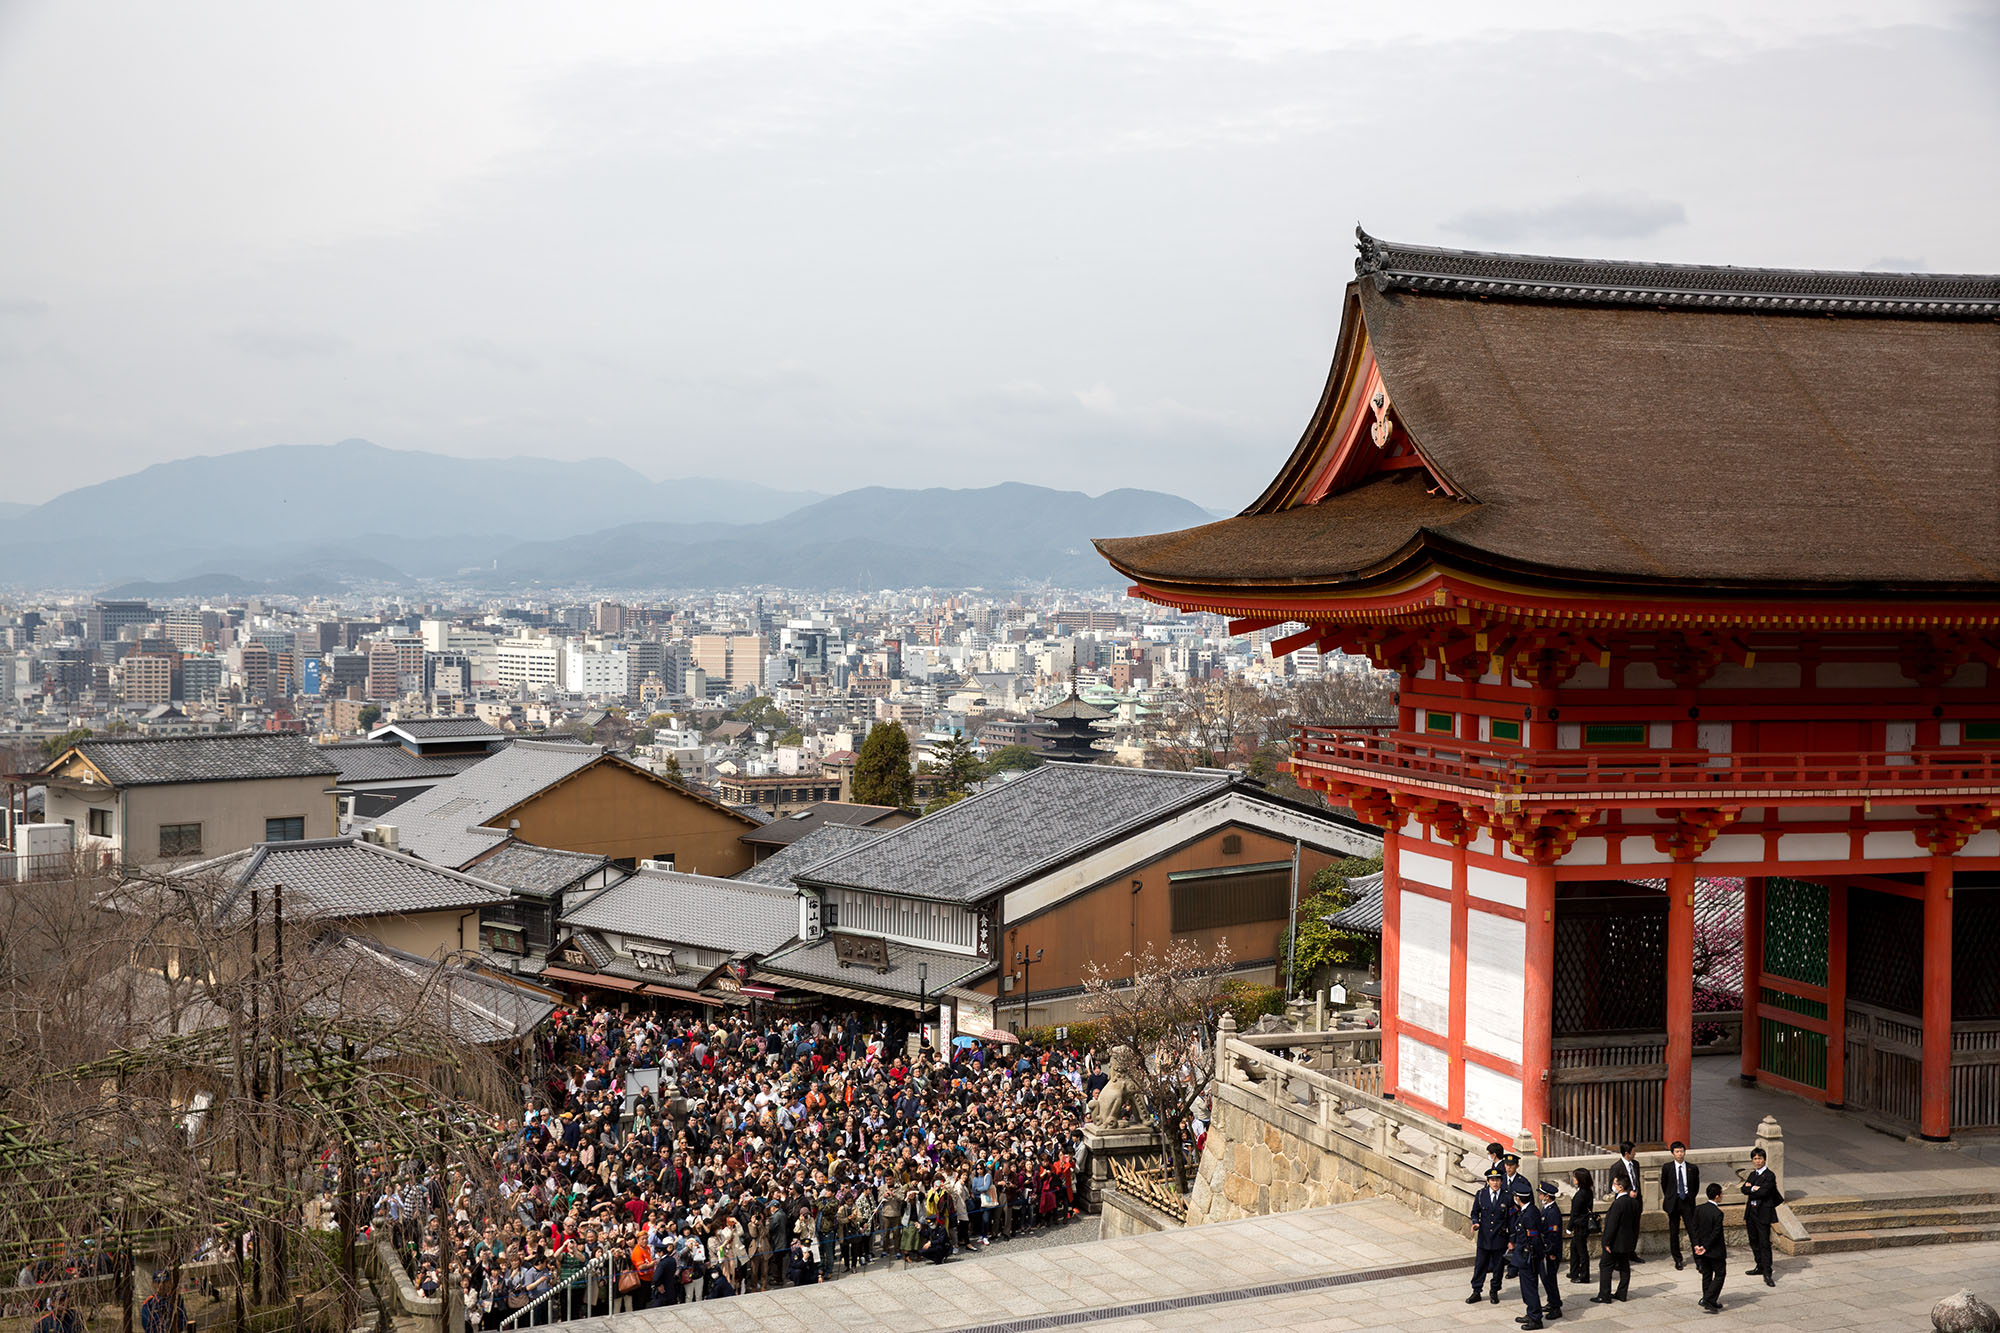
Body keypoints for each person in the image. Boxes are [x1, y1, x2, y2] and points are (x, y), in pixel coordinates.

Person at [1590, 1172, 1638, 1305]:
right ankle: (1622, 1293)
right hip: (1627, 1241)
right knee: (1624, 1267)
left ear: (1621, 1187)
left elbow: (1612, 1225)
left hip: (1615, 1242)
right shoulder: (1633, 1202)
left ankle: (1604, 1295)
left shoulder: (1618, 1204)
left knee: (1605, 1266)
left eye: (1615, 1184)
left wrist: (1606, 1242)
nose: (1613, 1186)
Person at [1467, 1166, 1512, 1305]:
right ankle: (1476, 1290)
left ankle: (1494, 1291)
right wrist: (1475, 1223)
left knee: (1498, 1267)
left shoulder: (1507, 1197)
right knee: (1480, 1265)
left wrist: (1511, 1240)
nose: (1495, 1183)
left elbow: (1512, 1220)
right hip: (1484, 1237)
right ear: (1487, 1181)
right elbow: (1475, 1212)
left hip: (1499, 1238)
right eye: (1492, 1180)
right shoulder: (1481, 1195)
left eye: (1498, 1180)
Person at [1506, 1176, 1546, 1330]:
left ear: (1518, 1198)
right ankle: (1530, 1312)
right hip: (1524, 1256)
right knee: (1526, 1287)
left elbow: (1533, 1239)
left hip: (1528, 1257)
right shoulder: (1526, 1210)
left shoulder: (1529, 1214)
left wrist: (1531, 1255)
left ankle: (1536, 1318)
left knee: (1530, 1288)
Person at [1740, 1146, 1782, 1286]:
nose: (1757, 1161)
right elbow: (1743, 1189)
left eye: (1760, 1158)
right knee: (1753, 1240)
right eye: (1755, 1159)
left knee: (1764, 1242)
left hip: (1763, 1212)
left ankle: (1767, 1272)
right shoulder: (1753, 1175)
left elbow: (1764, 1192)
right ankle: (1759, 1265)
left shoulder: (1769, 1175)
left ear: (1764, 1159)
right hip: (1751, 1212)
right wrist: (1753, 1188)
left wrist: (1751, 1189)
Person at [1659, 1139, 1701, 1270]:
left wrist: (1689, 1196)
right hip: (1673, 1202)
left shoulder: (1692, 1168)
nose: (1680, 1154)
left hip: (1687, 1202)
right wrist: (1671, 1196)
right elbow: (1664, 1184)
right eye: (1677, 1152)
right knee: (1674, 1232)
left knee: (1693, 1231)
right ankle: (1677, 1259)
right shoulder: (1667, 1167)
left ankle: (1698, 1259)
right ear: (1672, 1153)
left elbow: (1696, 1185)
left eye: (1682, 1151)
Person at [1692, 1181, 1728, 1313]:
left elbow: (1694, 1229)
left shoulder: (1698, 1209)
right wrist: (1706, 1247)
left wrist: (1697, 1245)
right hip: (1714, 1250)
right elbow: (1716, 1233)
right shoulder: (1718, 1213)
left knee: (1706, 1275)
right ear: (1717, 1196)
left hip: (1701, 1249)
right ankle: (1707, 1298)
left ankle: (1711, 1301)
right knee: (1720, 1274)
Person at [1534, 1179, 1564, 1322]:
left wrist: (1551, 1253)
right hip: (1545, 1250)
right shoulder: (1546, 1209)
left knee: (1550, 1279)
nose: (1539, 1196)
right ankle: (1552, 1302)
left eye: (1541, 1194)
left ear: (1547, 1196)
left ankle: (1556, 1306)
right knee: (1546, 1279)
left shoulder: (1552, 1213)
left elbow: (1554, 1236)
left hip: (1550, 1252)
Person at [1611, 1142, 1646, 1261]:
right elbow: (1613, 1187)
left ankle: (1632, 1252)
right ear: (1627, 1153)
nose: (1635, 1153)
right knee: (1623, 1229)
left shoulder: (1636, 1164)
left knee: (1635, 1228)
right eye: (1633, 1152)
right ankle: (1620, 1255)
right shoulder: (1616, 1167)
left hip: (1636, 1201)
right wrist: (1627, 1191)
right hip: (1625, 1202)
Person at [1565, 1166, 1596, 1285]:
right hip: (1582, 1224)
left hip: (1580, 1226)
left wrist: (1569, 1227)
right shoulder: (1587, 1191)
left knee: (1581, 1251)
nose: (1573, 1179)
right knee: (1574, 1248)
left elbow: (1575, 1213)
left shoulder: (1581, 1194)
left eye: (1575, 1177)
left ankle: (1584, 1276)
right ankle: (1574, 1271)